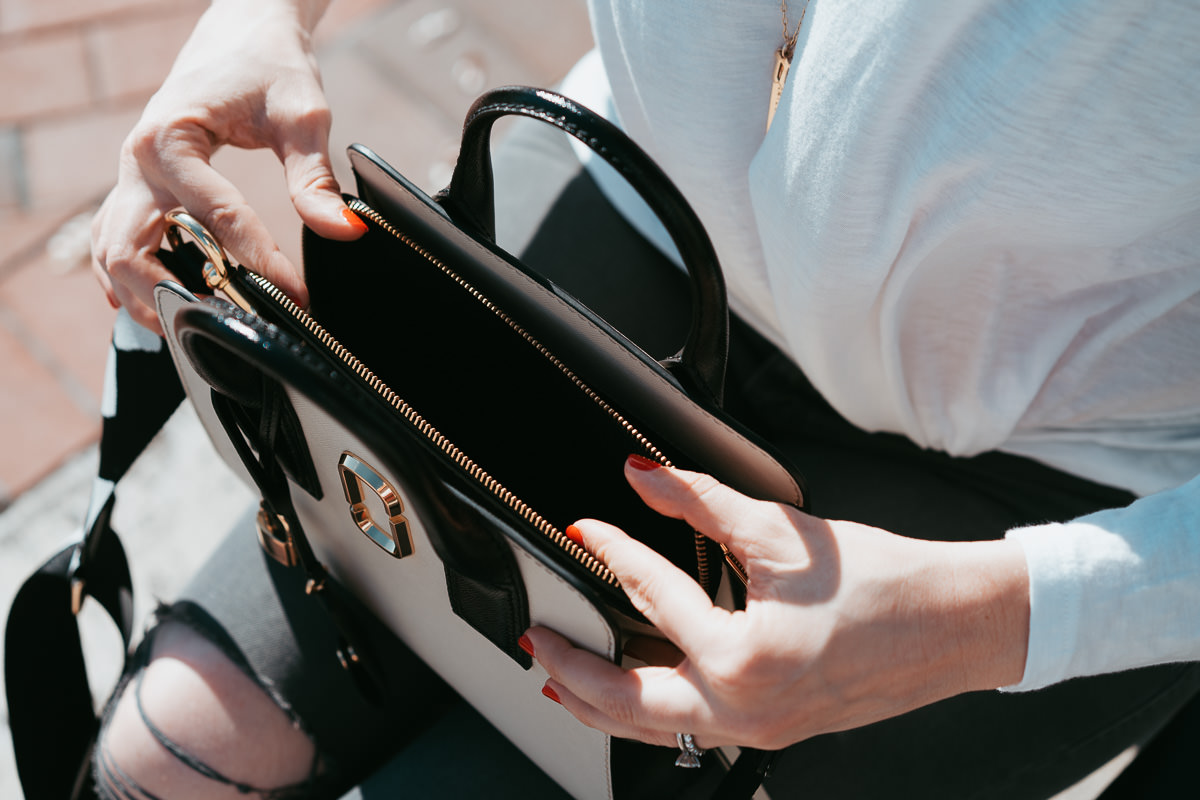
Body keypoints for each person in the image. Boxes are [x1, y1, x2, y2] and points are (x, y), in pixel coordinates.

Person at [88, 0, 1200, 797]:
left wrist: (987, 619)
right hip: (625, 207)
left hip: (1055, 470)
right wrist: (257, 13)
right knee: (166, 753)